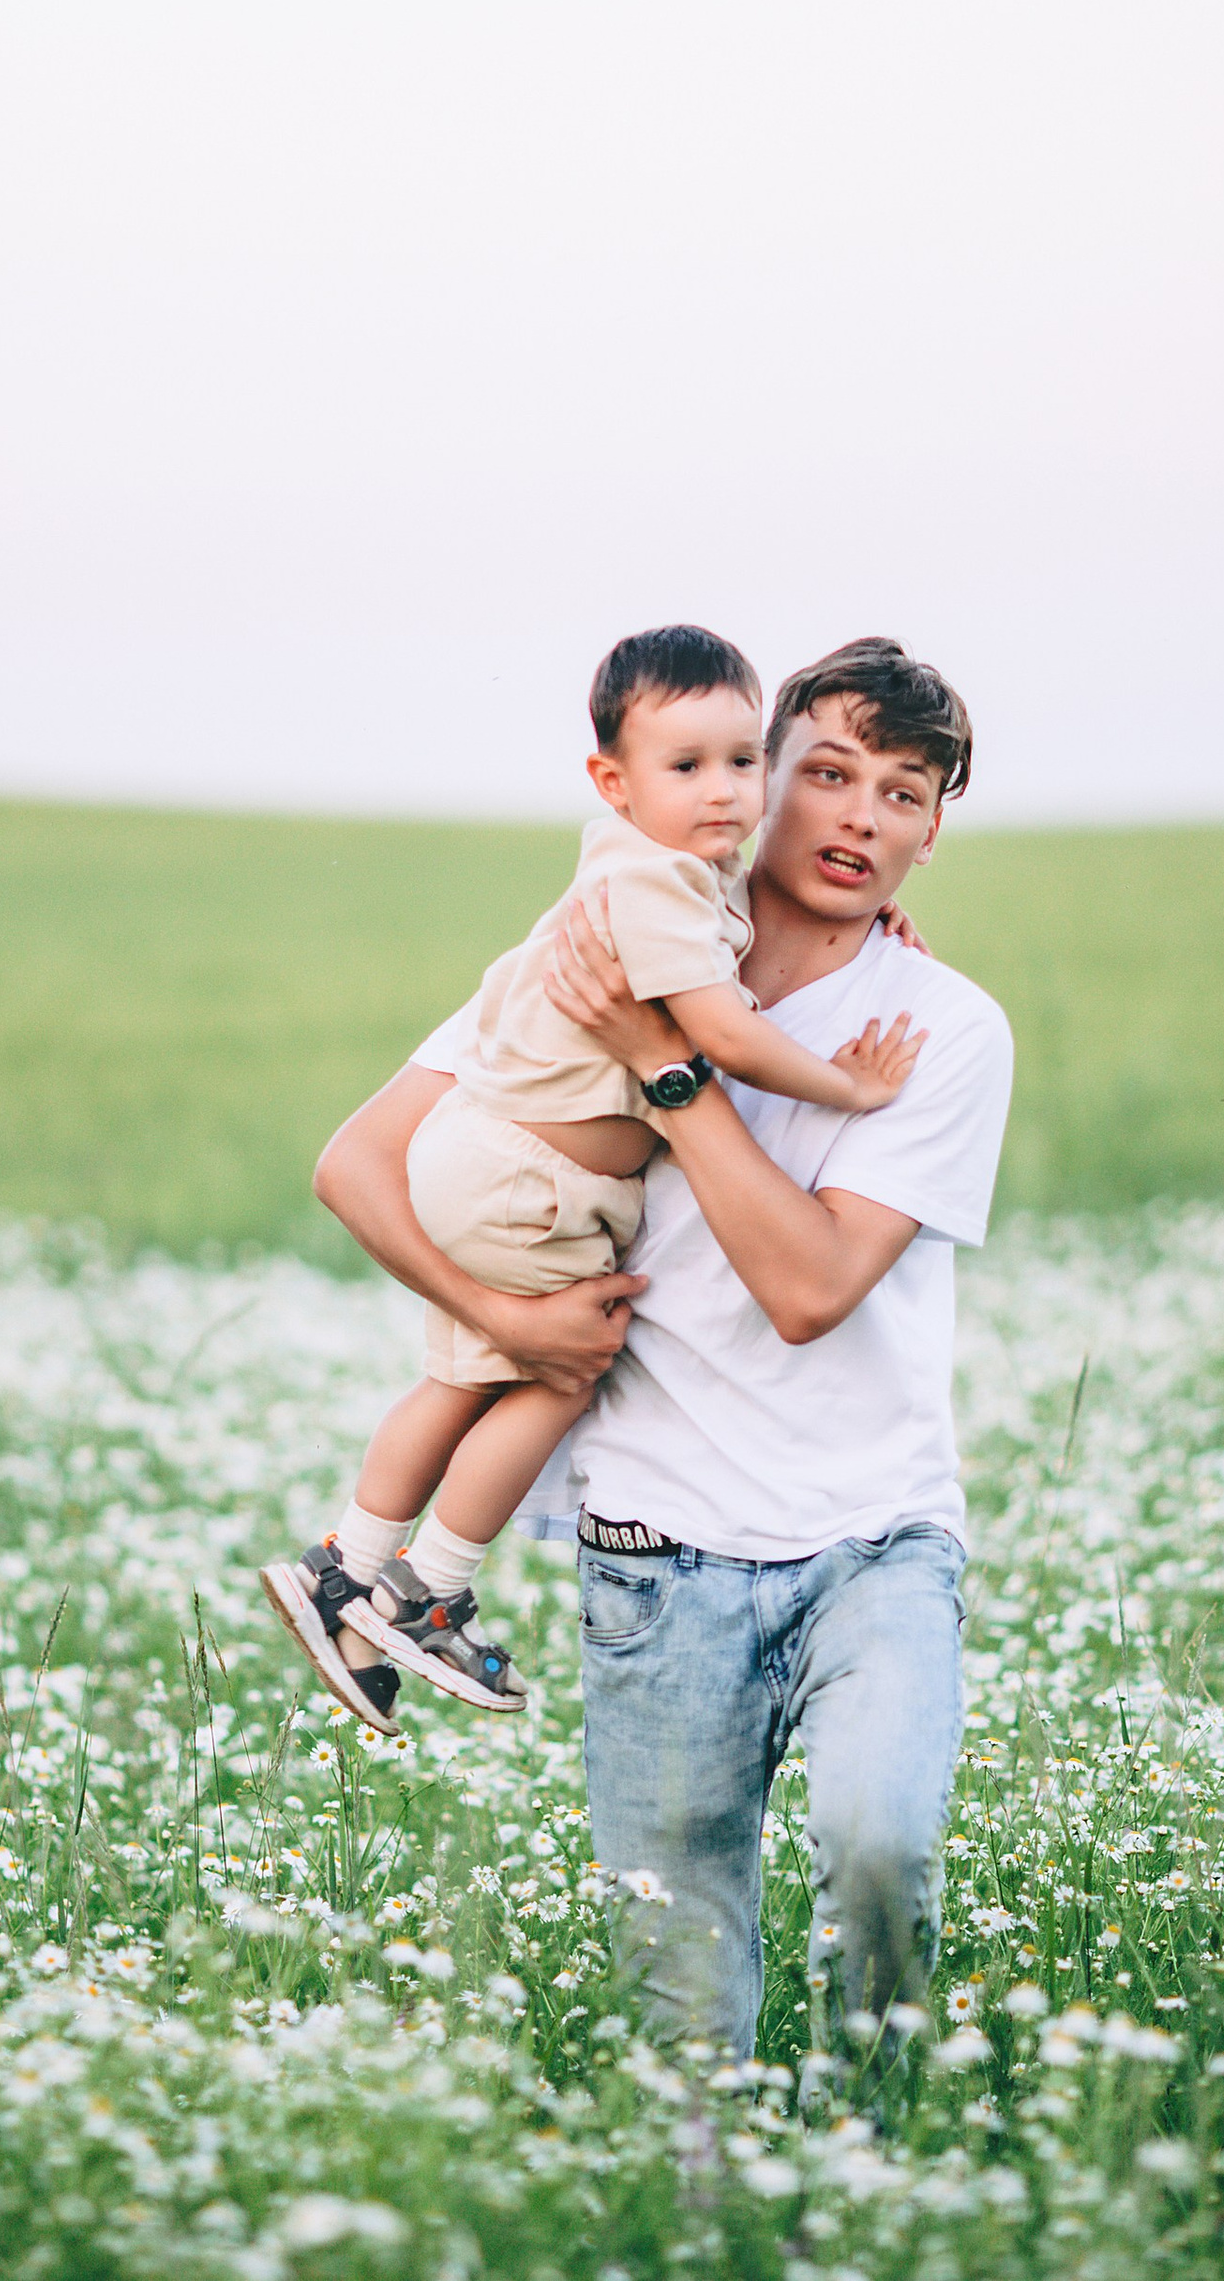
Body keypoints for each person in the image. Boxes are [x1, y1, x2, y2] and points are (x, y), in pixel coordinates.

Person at [312, 636, 1012, 2068]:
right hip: (655, 1546)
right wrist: (506, 1325)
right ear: (764, 786)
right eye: (825, 775)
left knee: (881, 1850)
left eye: (903, 793)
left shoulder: (943, 1028)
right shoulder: (601, 942)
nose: (858, 820)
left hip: (875, 1534)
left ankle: (866, 2186)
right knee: (681, 2016)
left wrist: (670, 1065)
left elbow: (808, 1288)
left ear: (934, 827)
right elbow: (359, 1163)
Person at [261, 625, 926, 1732]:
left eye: (739, 761)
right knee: (558, 1372)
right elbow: (725, 1028)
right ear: (613, 783)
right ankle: (428, 1591)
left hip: (501, 1167)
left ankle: (348, 1563)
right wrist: (842, 1084)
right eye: (685, 766)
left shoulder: (661, 875)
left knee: (463, 1379)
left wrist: (863, 932)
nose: (723, 790)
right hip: (534, 1181)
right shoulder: (654, 888)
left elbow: (739, 938)